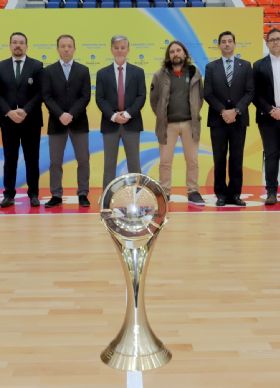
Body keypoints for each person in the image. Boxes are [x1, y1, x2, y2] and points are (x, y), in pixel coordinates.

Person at [150, 40, 204, 204]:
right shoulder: (160, 75)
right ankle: (164, 192)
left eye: (178, 50)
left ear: (184, 54)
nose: (175, 54)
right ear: (168, 56)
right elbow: (154, 100)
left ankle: (193, 190)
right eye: (172, 51)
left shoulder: (194, 73)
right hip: (168, 125)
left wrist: (193, 113)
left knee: (192, 160)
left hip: (190, 124)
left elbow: (199, 97)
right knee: (165, 161)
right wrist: (161, 116)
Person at [204, 31, 254, 207]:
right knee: (219, 158)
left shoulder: (246, 66)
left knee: (236, 158)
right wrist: (223, 111)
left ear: (234, 44)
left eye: (229, 41)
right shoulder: (211, 67)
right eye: (223, 41)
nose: (226, 44)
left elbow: (250, 92)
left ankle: (235, 194)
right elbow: (207, 93)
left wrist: (237, 110)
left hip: (239, 120)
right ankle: (221, 195)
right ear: (219, 45)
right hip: (218, 120)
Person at [42, 34, 91, 208]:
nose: (66, 49)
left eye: (69, 46)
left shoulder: (83, 70)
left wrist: (70, 114)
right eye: (63, 46)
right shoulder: (48, 71)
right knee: (55, 162)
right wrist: (60, 114)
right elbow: (46, 97)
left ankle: (83, 193)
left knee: (83, 159)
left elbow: (85, 96)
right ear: (58, 49)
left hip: (78, 122)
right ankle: (56, 194)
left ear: (74, 48)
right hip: (56, 123)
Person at [96, 35, 146, 190]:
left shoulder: (138, 72)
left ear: (128, 49)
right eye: (116, 48)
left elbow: (141, 96)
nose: (119, 51)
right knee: (109, 164)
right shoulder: (102, 73)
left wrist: (127, 114)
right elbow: (100, 98)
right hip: (110, 124)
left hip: (132, 123)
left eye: (123, 47)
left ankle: (137, 195)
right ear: (111, 49)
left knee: (134, 163)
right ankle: (107, 196)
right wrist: (113, 116)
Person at [0, 32, 43, 208]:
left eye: (21, 43)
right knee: (10, 158)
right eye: (14, 42)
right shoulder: (1, 66)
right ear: (10, 45)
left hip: (31, 121)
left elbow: (41, 93)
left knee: (32, 159)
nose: (18, 45)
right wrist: (9, 112)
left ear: (27, 46)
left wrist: (25, 111)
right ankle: (9, 194)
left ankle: (33, 194)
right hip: (8, 121)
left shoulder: (37, 65)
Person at [253, 28, 280, 205]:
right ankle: (271, 192)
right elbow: (255, 94)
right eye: (272, 40)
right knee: (271, 155)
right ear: (267, 42)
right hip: (267, 117)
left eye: (278, 39)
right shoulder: (258, 65)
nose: (276, 42)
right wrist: (271, 110)